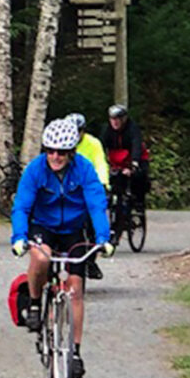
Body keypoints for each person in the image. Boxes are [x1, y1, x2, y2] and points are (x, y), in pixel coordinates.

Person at [10, 118, 113, 378]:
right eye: (51, 151)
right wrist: (19, 237)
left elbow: (96, 205)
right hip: (43, 226)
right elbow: (21, 206)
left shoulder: (85, 170)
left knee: (76, 289)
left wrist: (103, 237)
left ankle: (75, 353)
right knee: (41, 258)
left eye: (62, 152)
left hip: (74, 231)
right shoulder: (35, 170)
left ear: (71, 152)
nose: (55, 156)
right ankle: (34, 304)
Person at [67, 112, 110, 281]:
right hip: (69, 189)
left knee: (93, 223)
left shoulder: (93, 143)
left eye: (79, 131)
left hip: (89, 186)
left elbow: (100, 163)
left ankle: (90, 261)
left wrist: (103, 183)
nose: (76, 134)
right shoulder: (62, 142)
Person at [100, 104, 150, 211]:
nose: (115, 122)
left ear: (124, 119)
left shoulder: (132, 128)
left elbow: (137, 145)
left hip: (132, 158)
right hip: (115, 160)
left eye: (118, 119)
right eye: (112, 119)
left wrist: (134, 164)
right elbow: (100, 148)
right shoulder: (107, 129)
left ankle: (138, 202)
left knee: (139, 176)